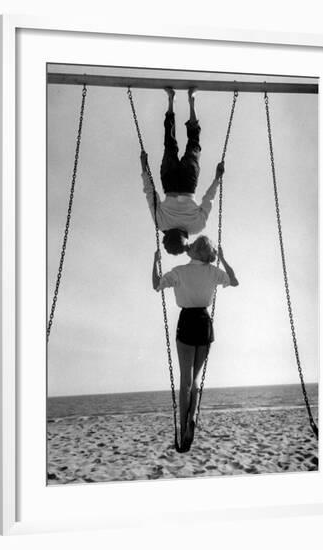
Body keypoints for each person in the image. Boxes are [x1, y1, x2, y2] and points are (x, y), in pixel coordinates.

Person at [152, 235, 239, 452]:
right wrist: (224, 260)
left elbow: (156, 285)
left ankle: (183, 428)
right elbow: (234, 280)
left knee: (186, 381)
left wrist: (155, 261)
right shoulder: (213, 272)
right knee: (196, 379)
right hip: (204, 323)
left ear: (194, 251)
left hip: (187, 322)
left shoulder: (179, 271)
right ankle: (193, 416)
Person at [140, 88, 225, 255]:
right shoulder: (164, 225)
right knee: (175, 143)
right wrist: (144, 168)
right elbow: (150, 194)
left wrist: (217, 179)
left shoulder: (195, 227)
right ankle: (185, 101)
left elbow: (209, 199)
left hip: (182, 184)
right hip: (178, 183)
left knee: (183, 144)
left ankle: (175, 100)